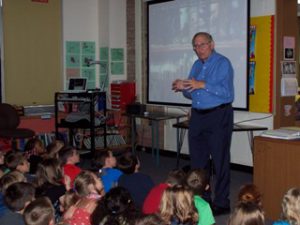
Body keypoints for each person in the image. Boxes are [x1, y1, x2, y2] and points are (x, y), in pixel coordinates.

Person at [172, 32, 234, 215]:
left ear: (212, 44)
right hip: (198, 117)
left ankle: (222, 202)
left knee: (220, 161)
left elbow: (227, 93)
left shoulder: (223, 63)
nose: (199, 49)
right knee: (197, 162)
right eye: (195, 46)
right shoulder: (196, 65)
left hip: (218, 115)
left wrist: (202, 84)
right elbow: (192, 92)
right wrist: (184, 87)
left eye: (202, 45)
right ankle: (202, 200)